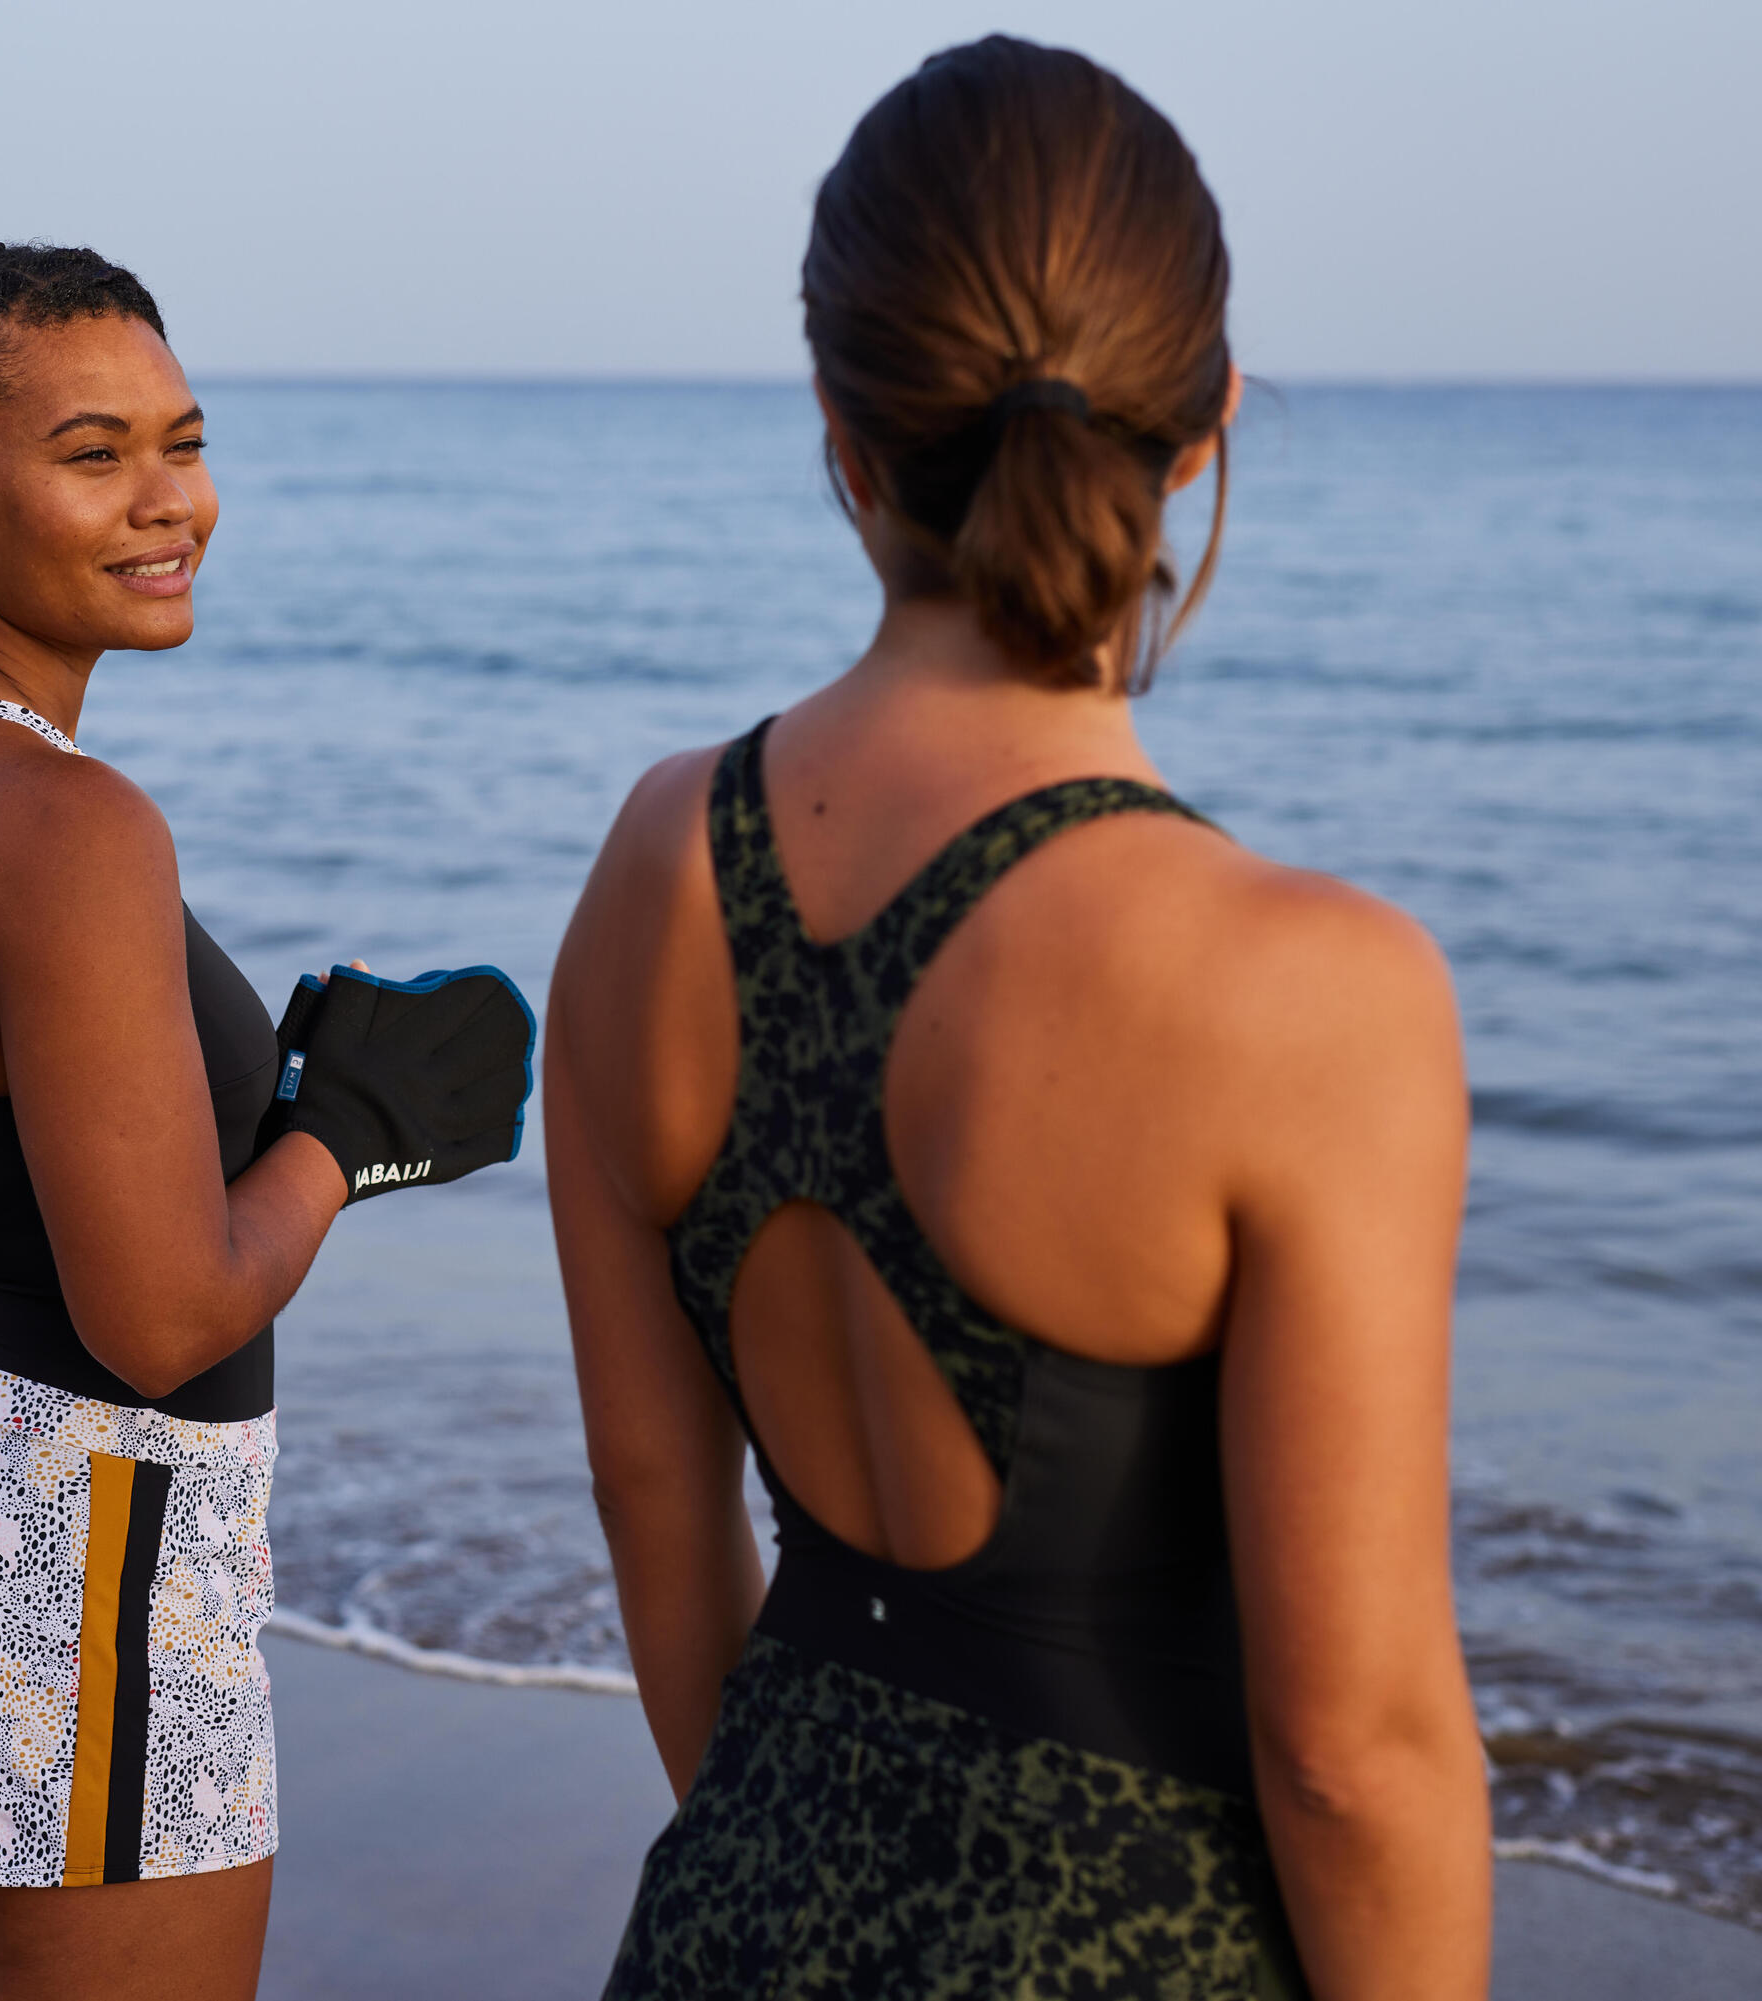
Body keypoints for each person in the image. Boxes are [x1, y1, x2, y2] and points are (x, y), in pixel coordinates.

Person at [545, 39, 1490, 1999]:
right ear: (1206, 426)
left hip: (731, 1918)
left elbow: (657, 1504)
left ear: (843, 428)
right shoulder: (1311, 986)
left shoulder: (656, 863)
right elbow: (1354, 1751)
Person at [0, 245, 532, 2001]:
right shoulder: (71, 823)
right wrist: (344, 1136)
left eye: (183, 444)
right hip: (79, 1546)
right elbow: (162, 1317)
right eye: (93, 454)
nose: (168, 501)